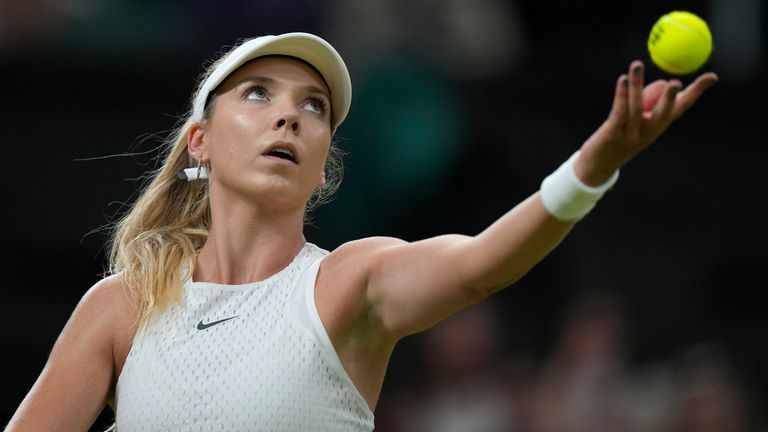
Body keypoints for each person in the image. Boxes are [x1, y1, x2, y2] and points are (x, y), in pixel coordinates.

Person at [4, 31, 718, 432]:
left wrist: (592, 167)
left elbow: (482, 265)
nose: (289, 116)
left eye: (312, 107)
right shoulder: (120, 308)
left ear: (321, 172)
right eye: (258, 94)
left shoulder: (350, 282)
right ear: (200, 141)